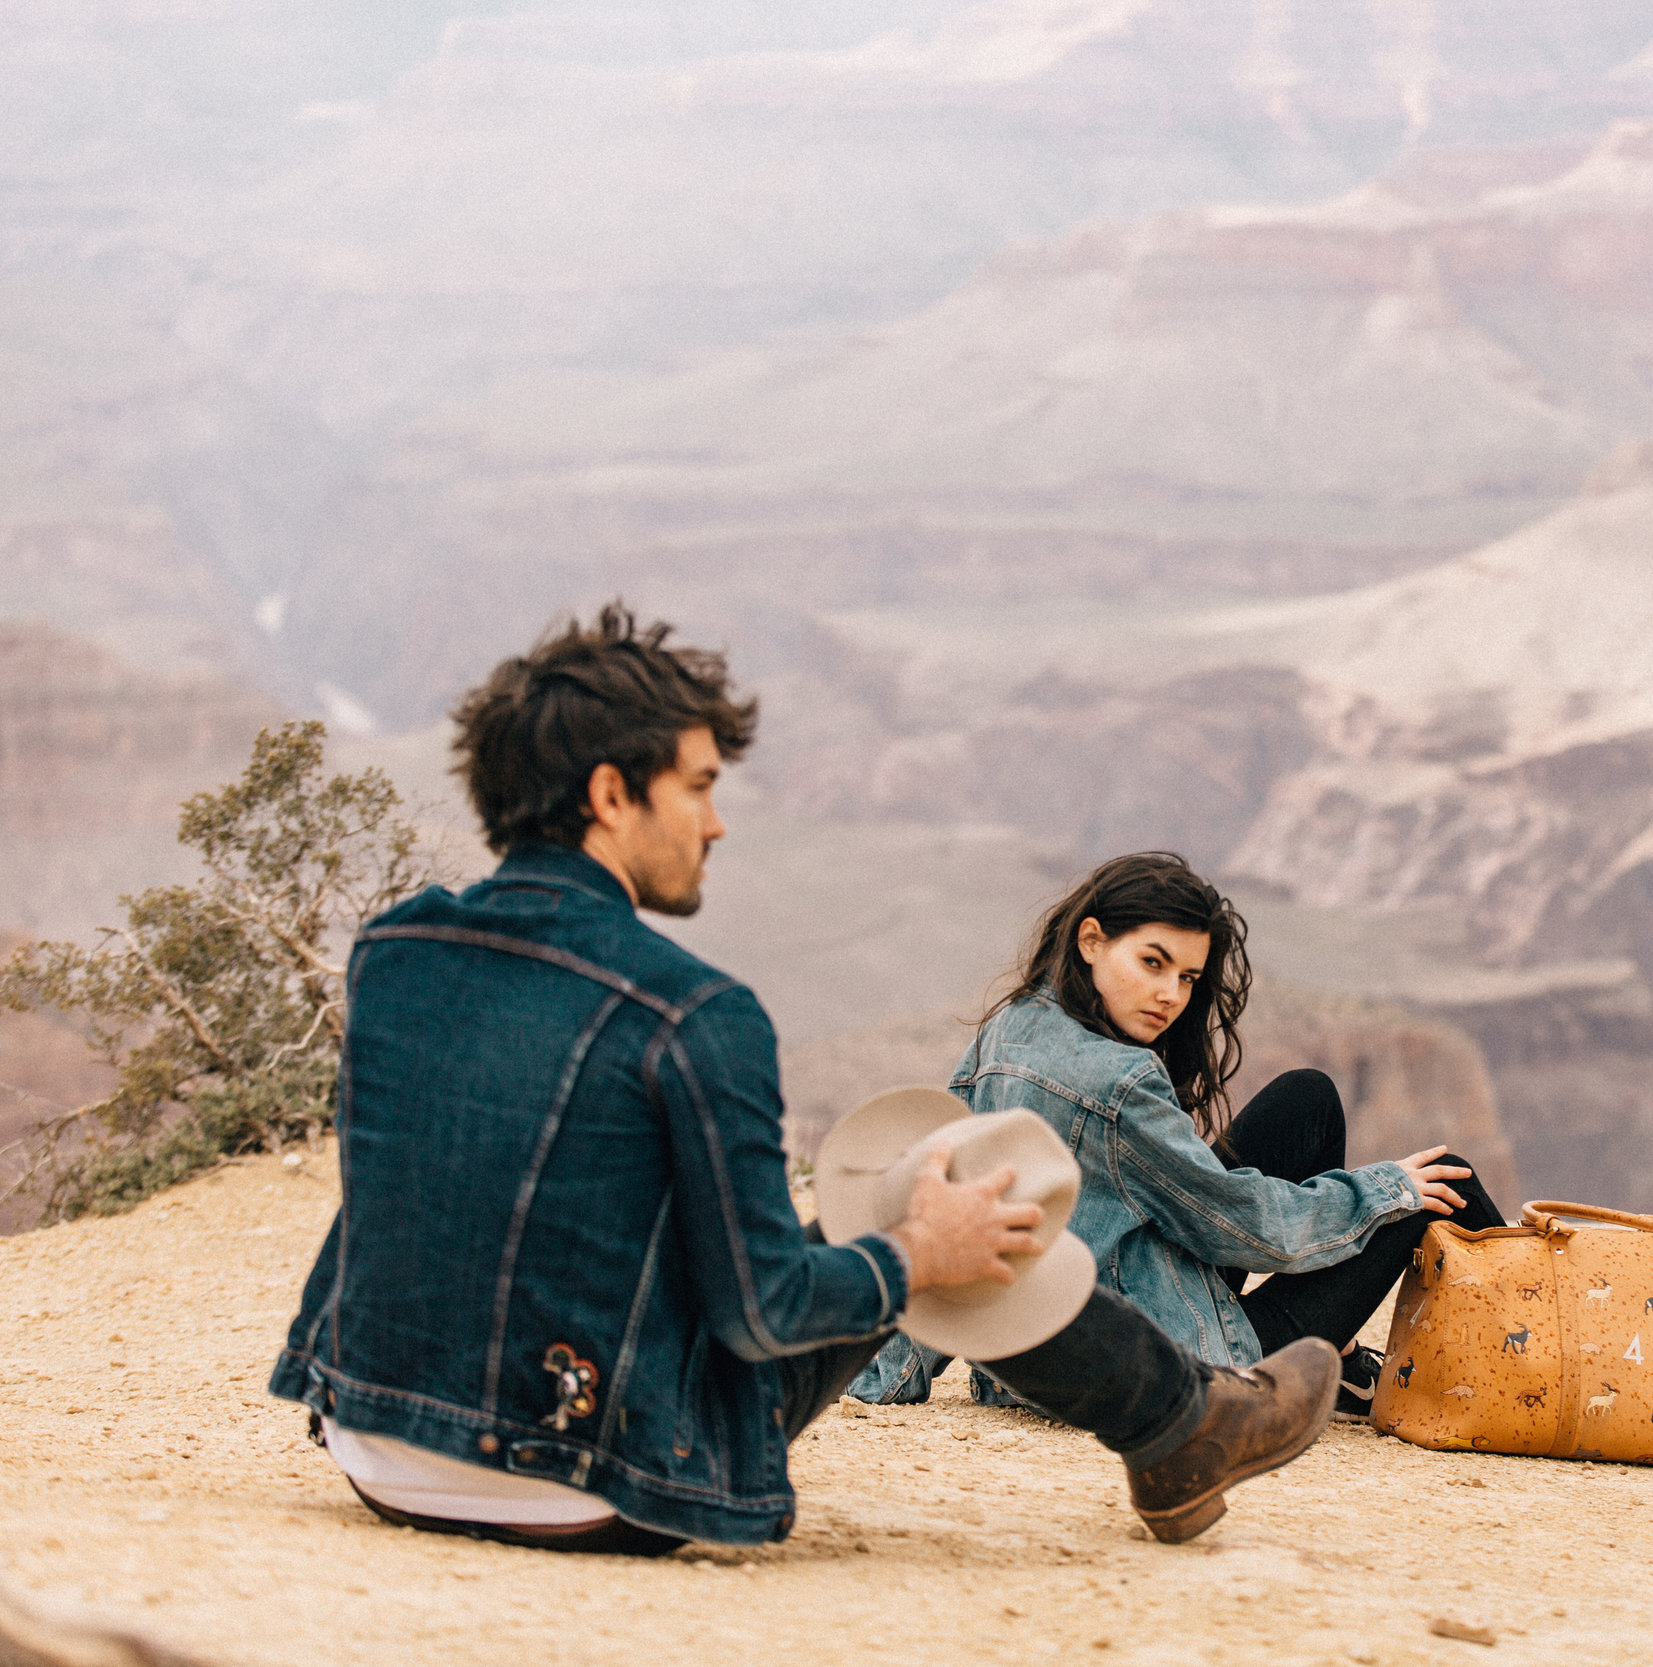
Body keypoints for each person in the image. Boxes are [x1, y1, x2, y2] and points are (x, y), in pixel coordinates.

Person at [266, 606, 1339, 1552]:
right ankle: (1183, 1427)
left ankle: (1179, 1423)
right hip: (585, 1484)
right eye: (696, 787)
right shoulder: (692, 1013)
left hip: (377, 1441)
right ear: (609, 793)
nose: (717, 820)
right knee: (933, 1203)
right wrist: (917, 1251)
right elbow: (765, 1309)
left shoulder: (394, 949)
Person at [850, 853, 1506, 1417]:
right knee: (1444, 1182)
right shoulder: (1120, 1080)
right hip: (1167, 1366)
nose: (1170, 994)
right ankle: (1542, 1367)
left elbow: (949, 1187)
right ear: (1091, 940)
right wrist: (1384, 1190)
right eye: (1153, 962)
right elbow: (1239, 1225)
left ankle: (1335, 1358)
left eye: (1188, 977)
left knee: (1306, 1099)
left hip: (1027, 1366)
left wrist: (895, 1367)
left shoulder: (1012, 1027)